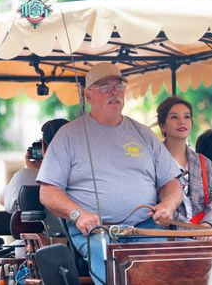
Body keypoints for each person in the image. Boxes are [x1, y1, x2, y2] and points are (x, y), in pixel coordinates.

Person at [37, 63, 183, 285]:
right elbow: (48, 192)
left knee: (166, 273)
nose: (114, 92)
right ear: (88, 95)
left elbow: (171, 184)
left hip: (144, 228)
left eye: (119, 86)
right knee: (113, 268)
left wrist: (168, 206)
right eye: (105, 87)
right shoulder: (68, 135)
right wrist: (78, 214)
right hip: (95, 231)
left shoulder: (143, 134)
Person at [156, 97, 212, 239]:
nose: (182, 122)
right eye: (174, 117)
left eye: (187, 117)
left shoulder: (204, 163)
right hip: (168, 234)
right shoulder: (153, 161)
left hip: (204, 231)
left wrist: (208, 225)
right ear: (162, 125)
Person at [0, 119, 69, 213]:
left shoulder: (25, 175)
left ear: (44, 147)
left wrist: (34, 172)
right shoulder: (85, 174)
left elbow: (3, 200)